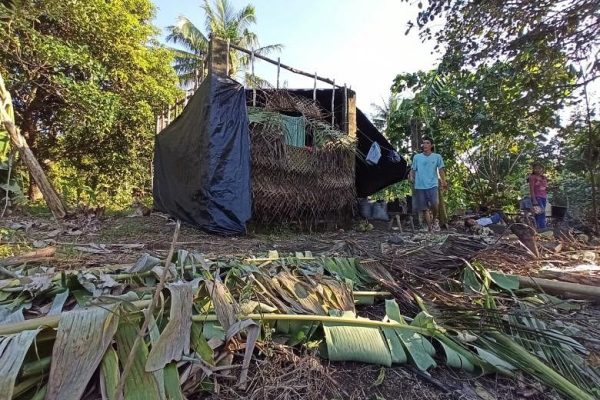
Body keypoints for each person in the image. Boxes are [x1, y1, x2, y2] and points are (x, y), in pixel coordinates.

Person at [408, 136, 447, 232]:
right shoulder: (417, 157)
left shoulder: (437, 157)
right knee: (424, 208)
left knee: (435, 203)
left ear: (431, 145)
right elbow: (413, 169)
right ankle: (430, 227)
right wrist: (411, 177)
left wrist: (443, 181)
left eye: (427, 143)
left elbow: (441, 170)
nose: (425, 145)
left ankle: (434, 220)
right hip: (420, 186)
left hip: (433, 184)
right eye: (424, 143)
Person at [527, 162, 548, 229]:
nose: (537, 170)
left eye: (539, 168)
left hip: (543, 197)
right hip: (537, 197)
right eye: (535, 168)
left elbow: (545, 188)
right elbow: (531, 189)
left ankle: (536, 229)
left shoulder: (544, 177)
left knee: (538, 213)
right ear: (533, 169)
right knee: (541, 213)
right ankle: (542, 229)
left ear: (542, 169)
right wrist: (534, 200)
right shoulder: (532, 177)